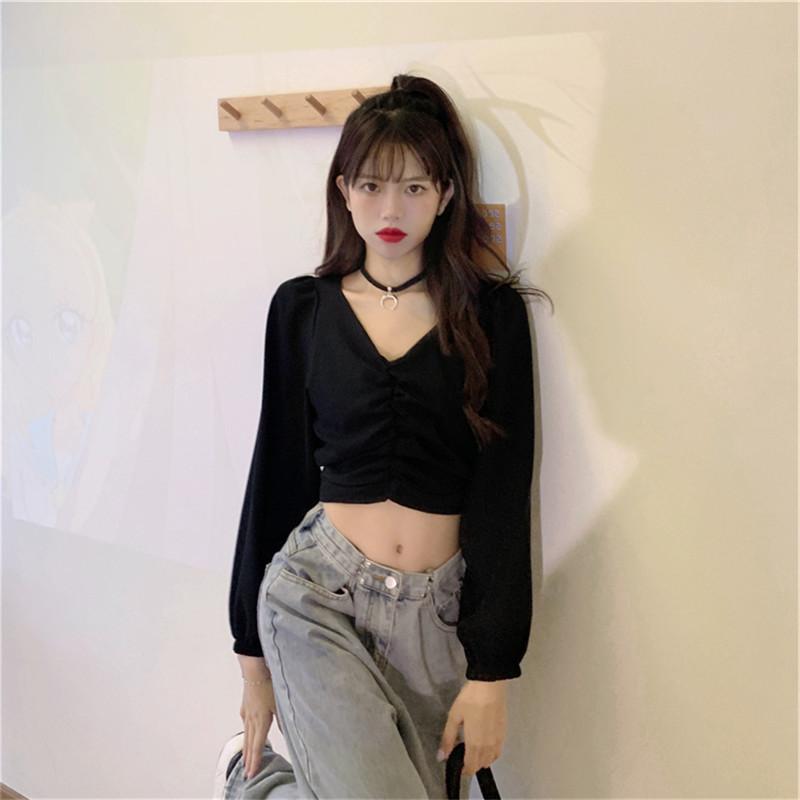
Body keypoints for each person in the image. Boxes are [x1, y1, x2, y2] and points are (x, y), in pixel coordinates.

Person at [219, 73, 552, 799]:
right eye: (371, 186)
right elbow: (275, 473)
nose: (391, 210)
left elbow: (503, 493)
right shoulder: (303, 310)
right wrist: (252, 661)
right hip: (317, 597)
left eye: (414, 187)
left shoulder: (491, 316)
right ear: (343, 191)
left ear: (446, 194)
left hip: (436, 621)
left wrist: (492, 669)